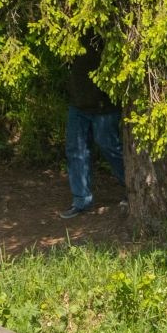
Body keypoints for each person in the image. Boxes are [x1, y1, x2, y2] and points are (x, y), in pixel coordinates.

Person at [62, 51, 127, 220]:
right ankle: (81, 201)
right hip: (78, 103)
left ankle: (133, 188)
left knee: (109, 146)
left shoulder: (106, 35)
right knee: (75, 149)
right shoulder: (70, 35)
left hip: (105, 105)